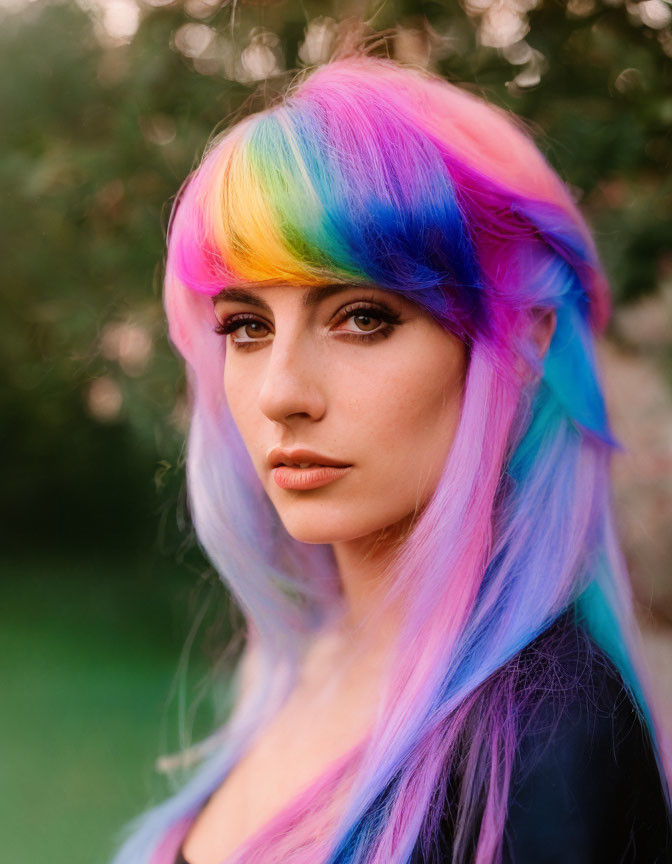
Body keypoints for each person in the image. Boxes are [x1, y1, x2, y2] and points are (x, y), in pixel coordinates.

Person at [110, 52, 672, 864]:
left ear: (520, 342)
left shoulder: (544, 748)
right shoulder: (296, 659)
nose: (281, 393)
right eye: (246, 326)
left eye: (363, 317)